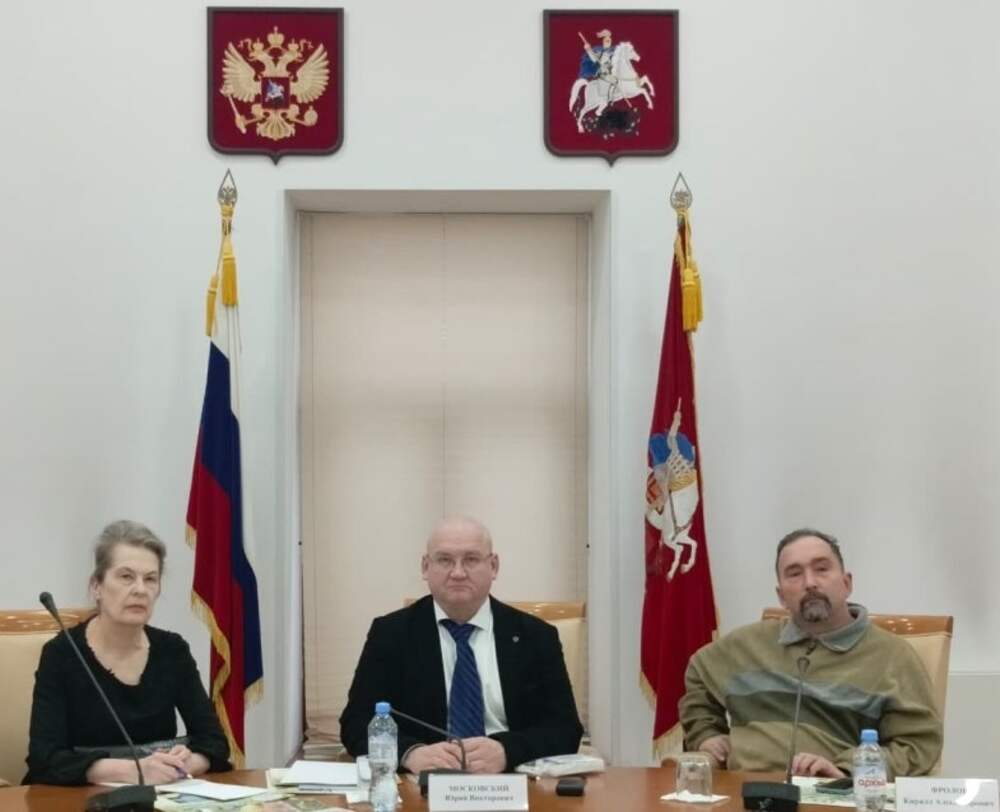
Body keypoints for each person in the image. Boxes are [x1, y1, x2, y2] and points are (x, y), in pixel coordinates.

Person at [679, 528, 942, 778]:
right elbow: (699, 671)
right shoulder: (747, 644)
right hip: (744, 789)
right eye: (794, 574)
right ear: (781, 596)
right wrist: (705, 733)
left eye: (822, 569)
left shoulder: (892, 656)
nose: (810, 583)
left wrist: (847, 770)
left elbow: (918, 745)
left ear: (847, 583)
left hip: (833, 792)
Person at [340, 516, 583, 773]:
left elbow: (565, 729)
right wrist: (410, 753)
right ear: (425, 567)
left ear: (493, 566)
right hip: (425, 780)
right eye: (445, 560)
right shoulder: (391, 633)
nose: (458, 573)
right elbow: (356, 723)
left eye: (471, 559)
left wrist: (506, 751)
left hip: (510, 780)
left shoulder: (536, 636)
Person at [24, 520, 230, 785]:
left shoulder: (172, 650)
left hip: (160, 795)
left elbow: (215, 742)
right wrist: (133, 770)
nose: (140, 590)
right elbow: (44, 758)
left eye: (150, 579)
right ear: (96, 586)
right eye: (126, 577)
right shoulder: (62, 654)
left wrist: (184, 763)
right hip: (79, 797)